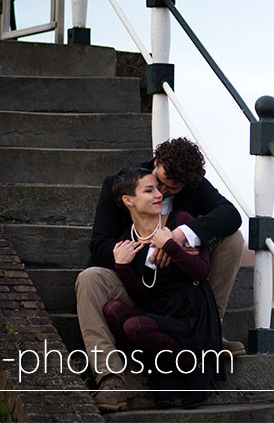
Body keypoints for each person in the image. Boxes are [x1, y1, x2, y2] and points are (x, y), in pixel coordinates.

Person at [75, 137, 244, 412]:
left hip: (178, 290)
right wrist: (137, 253)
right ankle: (109, 378)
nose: (162, 192)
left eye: (171, 188)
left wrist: (182, 236)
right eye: (159, 182)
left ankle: (211, 330)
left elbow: (230, 215)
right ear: (156, 163)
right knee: (89, 278)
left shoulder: (192, 186)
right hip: (131, 275)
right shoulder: (119, 185)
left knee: (233, 239)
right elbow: (99, 244)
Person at [104, 167, 220, 408]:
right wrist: (123, 267)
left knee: (135, 326)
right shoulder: (128, 237)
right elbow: (144, 297)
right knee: (112, 309)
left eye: (157, 189)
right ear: (129, 201)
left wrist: (171, 246)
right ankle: (163, 368)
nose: (159, 194)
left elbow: (203, 271)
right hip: (160, 312)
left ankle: (195, 368)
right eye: (149, 190)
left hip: (191, 314)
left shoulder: (181, 221)